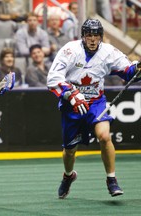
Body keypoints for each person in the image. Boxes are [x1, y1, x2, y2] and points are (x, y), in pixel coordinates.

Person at [47, 19, 141, 199]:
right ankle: (68, 176)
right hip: (72, 105)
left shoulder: (109, 52)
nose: (92, 39)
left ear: (101, 36)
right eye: (89, 35)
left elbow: (128, 71)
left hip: (96, 103)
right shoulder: (69, 50)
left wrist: (137, 68)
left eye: (96, 35)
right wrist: (72, 94)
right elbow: (52, 78)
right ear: (83, 36)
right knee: (70, 151)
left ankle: (111, 180)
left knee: (104, 136)